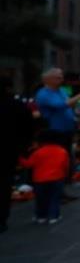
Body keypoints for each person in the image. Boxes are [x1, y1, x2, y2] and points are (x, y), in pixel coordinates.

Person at [35, 68, 80, 195]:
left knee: (67, 158)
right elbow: (62, 105)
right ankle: (57, 191)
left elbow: (69, 104)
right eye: (58, 77)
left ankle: (65, 184)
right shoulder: (44, 93)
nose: (61, 79)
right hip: (55, 131)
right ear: (47, 79)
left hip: (67, 130)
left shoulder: (61, 91)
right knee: (57, 161)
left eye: (61, 77)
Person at [1, 78, 34, 232]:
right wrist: (24, 147)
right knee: (5, 183)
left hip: (9, 148)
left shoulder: (16, 105)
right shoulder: (17, 105)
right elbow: (28, 126)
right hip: (9, 149)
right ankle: (2, 218)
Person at [20, 130, 70, 225]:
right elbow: (65, 166)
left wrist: (20, 158)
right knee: (54, 198)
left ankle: (41, 216)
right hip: (57, 178)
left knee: (41, 200)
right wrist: (65, 176)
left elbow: (28, 164)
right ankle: (53, 216)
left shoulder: (38, 152)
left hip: (39, 180)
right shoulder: (62, 151)